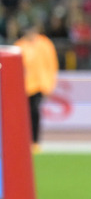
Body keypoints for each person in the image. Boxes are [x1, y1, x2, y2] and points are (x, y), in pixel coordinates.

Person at [15, 21, 59, 150]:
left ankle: (34, 141)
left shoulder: (45, 44)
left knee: (34, 111)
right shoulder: (20, 45)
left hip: (39, 84)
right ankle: (24, 140)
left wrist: (50, 83)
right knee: (23, 114)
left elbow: (51, 64)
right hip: (23, 86)